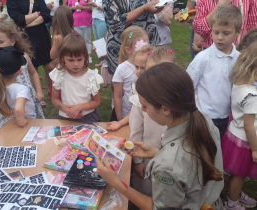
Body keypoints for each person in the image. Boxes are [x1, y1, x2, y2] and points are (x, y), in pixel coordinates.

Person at [96, 62, 224, 209]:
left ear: (165, 109)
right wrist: (156, 153)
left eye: (144, 106)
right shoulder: (203, 120)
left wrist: (115, 182)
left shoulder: (166, 166)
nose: (142, 110)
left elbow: (157, 207)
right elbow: (190, 164)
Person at [187, 5, 242, 138]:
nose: (219, 38)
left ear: (238, 32)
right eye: (216, 32)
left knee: (219, 152)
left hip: (227, 117)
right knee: (203, 151)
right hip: (203, 116)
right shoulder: (203, 58)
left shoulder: (239, 58)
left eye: (226, 33)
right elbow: (188, 83)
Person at [130, 47, 176, 197]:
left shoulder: (180, 98)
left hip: (174, 161)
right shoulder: (140, 100)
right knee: (147, 191)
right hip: (147, 158)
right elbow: (135, 132)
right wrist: (137, 162)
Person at [221, 42, 257, 210]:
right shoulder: (251, 95)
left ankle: (235, 195)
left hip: (233, 134)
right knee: (240, 175)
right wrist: (255, 149)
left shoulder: (238, 83)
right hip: (246, 141)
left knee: (237, 174)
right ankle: (232, 202)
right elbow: (249, 126)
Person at [0, 22, 45, 119]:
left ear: (12, 41)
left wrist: (39, 91)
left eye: (0, 42)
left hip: (28, 98)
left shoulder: (24, 57)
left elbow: (33, 73)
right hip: (10, 103)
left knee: (34, 123)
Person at [49, 34, 103, 123]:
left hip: (88, 116)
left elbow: (96, 102)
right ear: (63, 58)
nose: (75, 64)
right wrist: (68, 111)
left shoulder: (91, 76)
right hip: (66, 116)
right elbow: (54, 99)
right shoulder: (59, 74)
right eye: (71, 60)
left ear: (85, 57)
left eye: (79, 59)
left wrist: (79, 107)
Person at [103, 0, 162, 75]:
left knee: (151, 77)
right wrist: (144, 8)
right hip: (124, 44)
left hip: (148, 40)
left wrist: (156, 4)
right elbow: (115, 22)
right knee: (123, 77)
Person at [7, 0, 54, 91]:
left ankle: (52, 91)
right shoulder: (12, 1)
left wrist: (28, 24)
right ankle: (37, 93)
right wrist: (37, 14)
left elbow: (46, 15)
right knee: (32, 68)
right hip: (26, 38)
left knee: (49, 66)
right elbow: (19, 19)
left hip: (42, 35)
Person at [107, 45, 156, 131]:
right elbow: (135, 110)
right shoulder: (138, 86)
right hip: (137, 124)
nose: (139, 71)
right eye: (136, 67)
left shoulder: (154, 89)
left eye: (143, 68)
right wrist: (120, 122)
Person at [0, 46, 37, 129]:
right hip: (24, 127)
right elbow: (18, 109)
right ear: (19, 71)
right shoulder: (21, 89)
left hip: (5, 126)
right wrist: (22, 122)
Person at [111, 26, 148, 121]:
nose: (146, 51)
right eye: (141, 48)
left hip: (145, 113)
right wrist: (120, 118)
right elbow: (117, 96)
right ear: (128, 50)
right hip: (126, 113)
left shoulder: (149, 64)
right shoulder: (122, 69)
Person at [193, 0, 257, 49]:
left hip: (239, 53)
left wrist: (249, 49)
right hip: (211, 53)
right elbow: (198, 29)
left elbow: (254, 28)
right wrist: (219, 6)